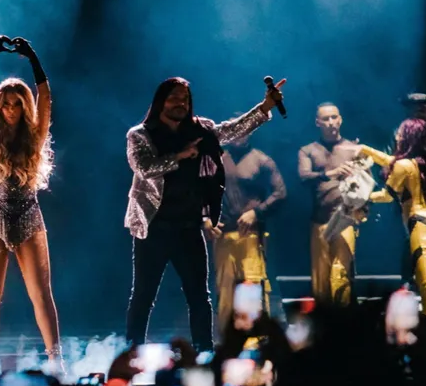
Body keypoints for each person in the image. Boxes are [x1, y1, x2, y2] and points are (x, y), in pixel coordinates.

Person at [124, 76, 284, 352]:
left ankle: (205, 353)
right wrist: (180, 156)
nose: (181, 103)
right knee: (143, 296)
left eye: (185, 99)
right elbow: (144, 168)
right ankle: (131, 353)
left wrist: (265, 106)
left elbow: (232, 130)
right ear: (161, 100)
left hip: (188, 226)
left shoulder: (201, 129)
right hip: (153, 226)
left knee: (199, 296)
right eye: (174, 97)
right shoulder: (140, 134)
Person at [0, 36, 61, 373]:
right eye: (6, 103)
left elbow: (46, 96)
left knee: (41, 293)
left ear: (25, 106)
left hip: (28, 214)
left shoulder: (36, 136)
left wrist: (32, 57)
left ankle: (56, 360)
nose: (10, 109)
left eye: (17, 103)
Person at [359, 119, 426, 324]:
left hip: (421, 224)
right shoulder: (421, 162)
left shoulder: (404, 165)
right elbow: (390, 161)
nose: (397, 136)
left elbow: (387, 195)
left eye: (401, 133)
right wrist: (365, 149)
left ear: (409, 137)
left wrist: (362, 197)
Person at [213, 133, 285, 336]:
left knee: (251, 287)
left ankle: (256, 339)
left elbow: (280, 192)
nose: (239, 136)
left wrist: (257, 212)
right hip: (223, 235)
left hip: (251, 235)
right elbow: (199, 190)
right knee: (225, 290)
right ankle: (227, 338)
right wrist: (206, 217)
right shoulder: (216, 160)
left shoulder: (261, 160)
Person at [297, 102, 364, 306]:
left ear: (340, 119)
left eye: (334, 117)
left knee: (340, 276)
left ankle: (342, 326)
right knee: (320, 281)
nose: (331, 122)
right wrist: (330, 174)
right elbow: (303, 176)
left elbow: (368, 185)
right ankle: (323, 330)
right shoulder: (308, 150)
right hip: (319, 221)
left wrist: (362, 211)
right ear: (317, 122)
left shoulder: (354, 148)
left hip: (345, 220)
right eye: (325, 119)